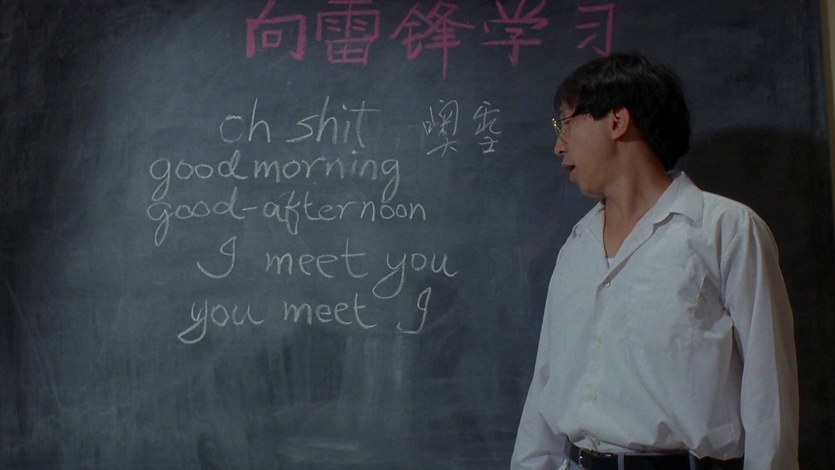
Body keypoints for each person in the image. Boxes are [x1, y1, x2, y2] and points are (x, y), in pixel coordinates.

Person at [511, 52, 799, 469]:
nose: (559, 145)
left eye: (566, 124)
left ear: (617, 120)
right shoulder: (577, 246)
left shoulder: (725, 230)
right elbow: (546, 382)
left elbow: (768, 392)